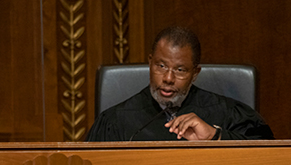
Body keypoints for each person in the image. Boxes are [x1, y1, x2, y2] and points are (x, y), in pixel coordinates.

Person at [86, 26, 274, 141]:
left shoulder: (227, 113)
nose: (168, 78)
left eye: (180, 70)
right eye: (161, 66)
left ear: (195, 73)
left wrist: (215, 136)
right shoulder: (115, 122)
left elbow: (266, 154)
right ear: (150, 63)